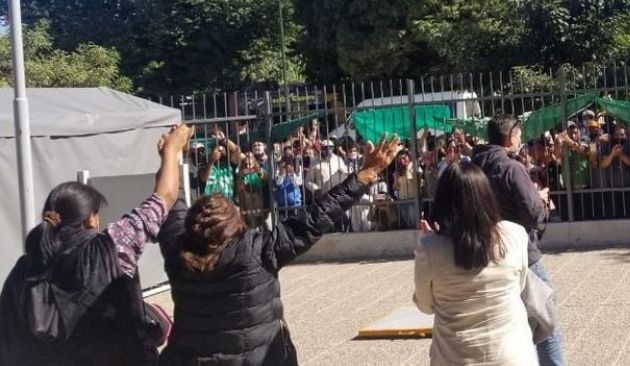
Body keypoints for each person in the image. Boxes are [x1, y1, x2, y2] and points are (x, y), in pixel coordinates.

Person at [155, 135, 401, 366]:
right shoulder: (259, 250)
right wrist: (365, 175)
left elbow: (168, 201)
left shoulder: (177, 249)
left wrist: (171, 155)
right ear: (235, 223)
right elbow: (318, 216)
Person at [0, 124, 192, 366]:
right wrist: (172, 150)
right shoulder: (112, 246)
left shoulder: (24, 269)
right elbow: (165, 197)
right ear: (91, 218)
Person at [414, 162, 538, 366]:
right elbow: (519, 286)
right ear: (486, 196)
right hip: (513, 355)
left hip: (454, 357)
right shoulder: (515, 234)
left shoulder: (430, 248)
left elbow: (425, 305)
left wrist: (431, 246)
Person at [472, 113, 565, 366]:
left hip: (482, 253)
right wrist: (542, 200)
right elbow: (533, 213)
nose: (520, 140)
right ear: (510, 136)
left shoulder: (472, 168)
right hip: (521, 253)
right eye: (519, 135)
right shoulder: (511, 168)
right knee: (546, 323)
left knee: (502, 323)